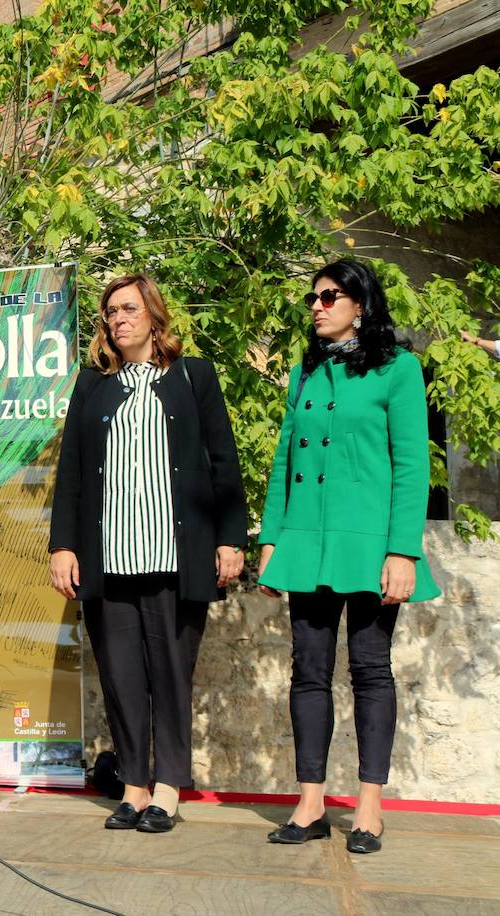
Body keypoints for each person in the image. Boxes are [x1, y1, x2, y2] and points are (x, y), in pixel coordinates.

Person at [49, 273, 247, 834]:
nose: (119, 320)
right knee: (121, 676)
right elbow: (72, 475)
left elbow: (223, 463)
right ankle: (134, 785)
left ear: (153, 315)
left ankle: (167, 788)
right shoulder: (93, 385)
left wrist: (231, 538)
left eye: (129, 309)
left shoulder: (193, 377)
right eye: (111, 312)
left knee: (171, 674)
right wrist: (63, 544)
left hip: (174, 555)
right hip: (108, 557)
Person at [258, 258, 440, 855]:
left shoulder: (399, 369)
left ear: (360, 304)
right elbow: (285, 459)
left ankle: (368, 807)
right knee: (307, 671)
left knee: (369, 669)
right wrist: (272, 540)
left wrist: (402, 552)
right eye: (313, 297)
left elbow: (413, 466)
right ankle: (310, 803)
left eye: (330, 296)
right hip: (307, 543)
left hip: (368, 546)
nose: (317, 305)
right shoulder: (303, 373)